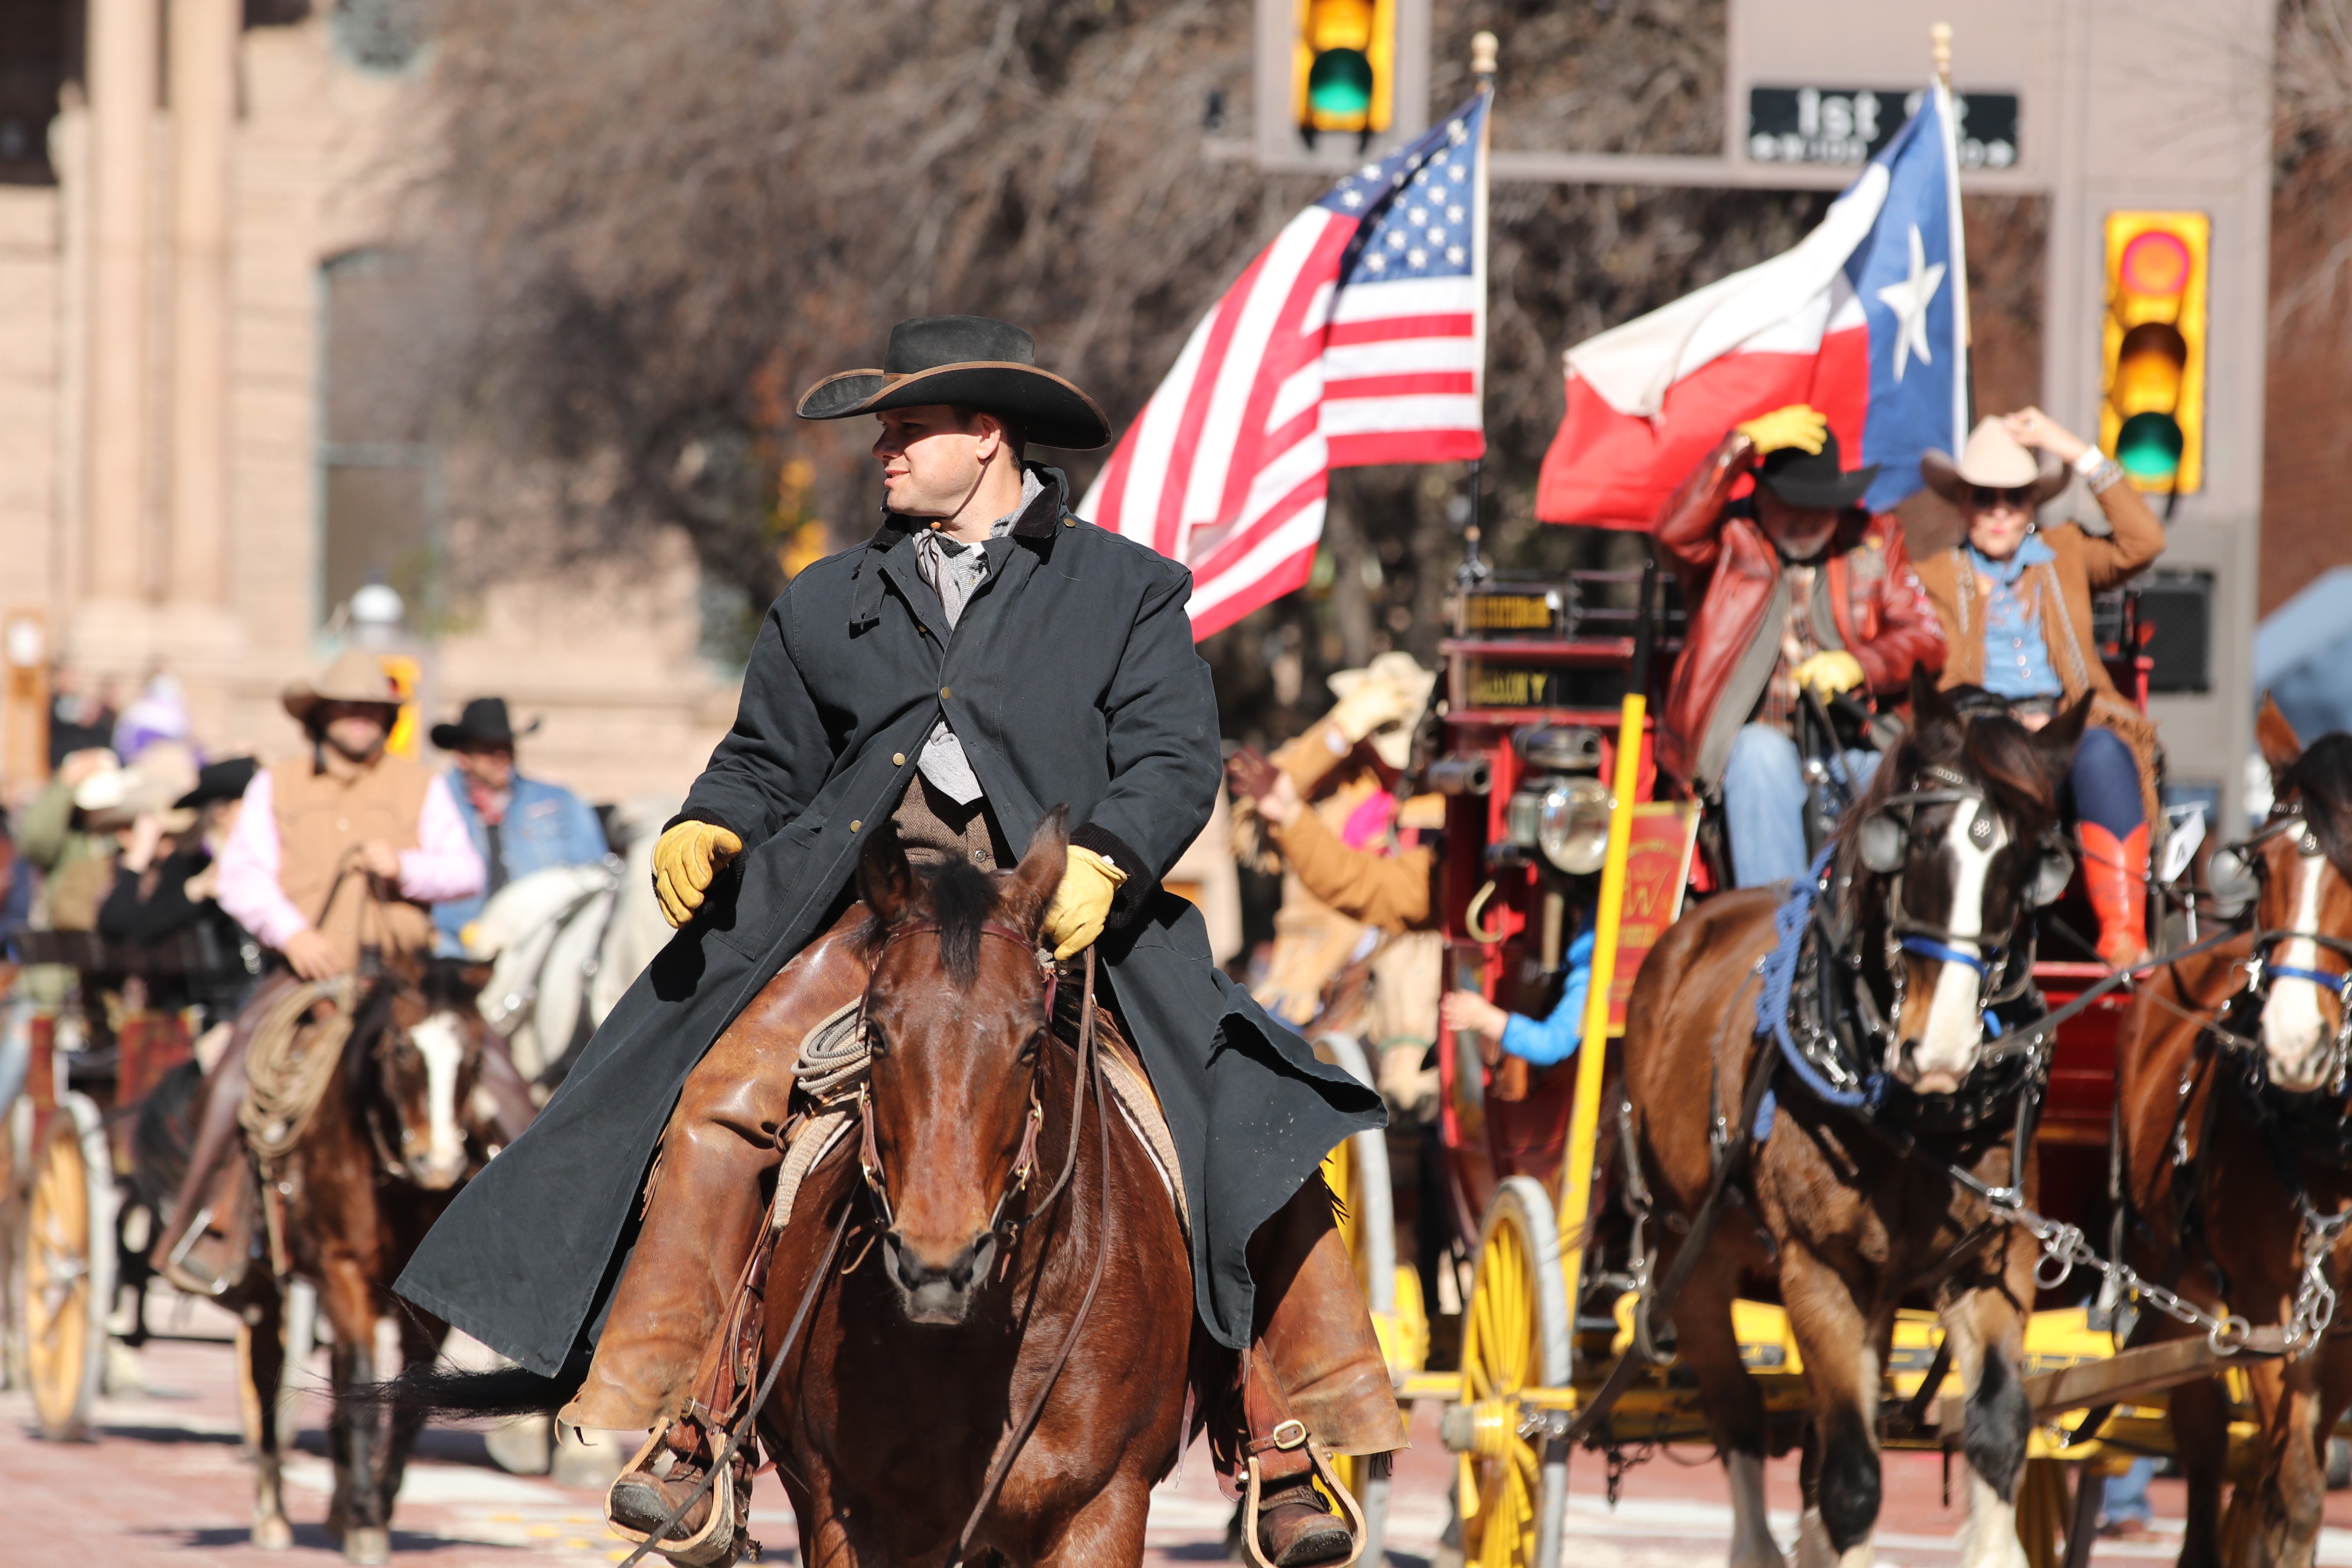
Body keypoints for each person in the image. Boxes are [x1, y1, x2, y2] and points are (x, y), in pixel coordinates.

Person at [394, 316, 1397, 1566]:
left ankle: (1285, 1429)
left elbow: (1172, 757)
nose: (884, 450)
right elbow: (763, 759)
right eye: (884, 431)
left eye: (908, 429)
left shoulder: (1128, 588)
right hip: (870, 919)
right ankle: (692, 1418)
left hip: (1063, 912)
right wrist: (711, 821)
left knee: (1255, 1109)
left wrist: (1108, 856)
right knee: (717, 1097)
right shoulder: (826, 598)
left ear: (987, 436)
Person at [145, 651, 520, 1291]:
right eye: (346, 708)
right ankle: (211, 1224)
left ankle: (536, 1233)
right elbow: (241, 877)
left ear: (386, 718)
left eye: (371, 709)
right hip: (306, 973)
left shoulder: (421, 785)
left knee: (503, 1077)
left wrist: (405, 867)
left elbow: (466, 871)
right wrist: (292, 934)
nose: (359, 719)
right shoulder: (278, 784)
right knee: (236, 1073)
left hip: (403, 978)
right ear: (320, 716)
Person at [1911, 410, 2166, 967]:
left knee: (2104, 750)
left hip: (2068, 731)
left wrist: (2071, 448)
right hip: (1982, 737)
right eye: (1985, 498)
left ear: (2032, 505)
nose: (2000, 511)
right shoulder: (1933, 576)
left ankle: (2123, 934)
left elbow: (2145, 541)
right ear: (1963, 503)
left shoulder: (2065, 552)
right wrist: (2004, 723)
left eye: (2014, 498)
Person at [1655, 404, 1946, 887]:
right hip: (1752, 754)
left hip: (1853, 743)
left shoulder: (1875, 538)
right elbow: (1672, 533)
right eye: (1794, 503)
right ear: (1762, 498)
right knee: (1760, 755)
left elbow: (1927, 638)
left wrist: (1860, 666)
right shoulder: (1729, 540)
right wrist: (1738, 448)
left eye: (1822, 504)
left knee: (1909, 782)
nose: (1808, 518)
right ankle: (1780, 924)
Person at [429, 696, 612, 953]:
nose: (501, 756)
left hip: (538, 945)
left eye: (507, 746)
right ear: (463, 755)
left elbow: (595, 872)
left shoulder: (557, 801)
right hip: (456, 948)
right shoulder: (436, 802)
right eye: (488, 748)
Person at [97, 757, 263, 1028]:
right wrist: (195, 891)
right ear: (222, 813)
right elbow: (126, 926)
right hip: (208, 1009)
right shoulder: (191, 862)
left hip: (257, 996)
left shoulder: (269, 859)